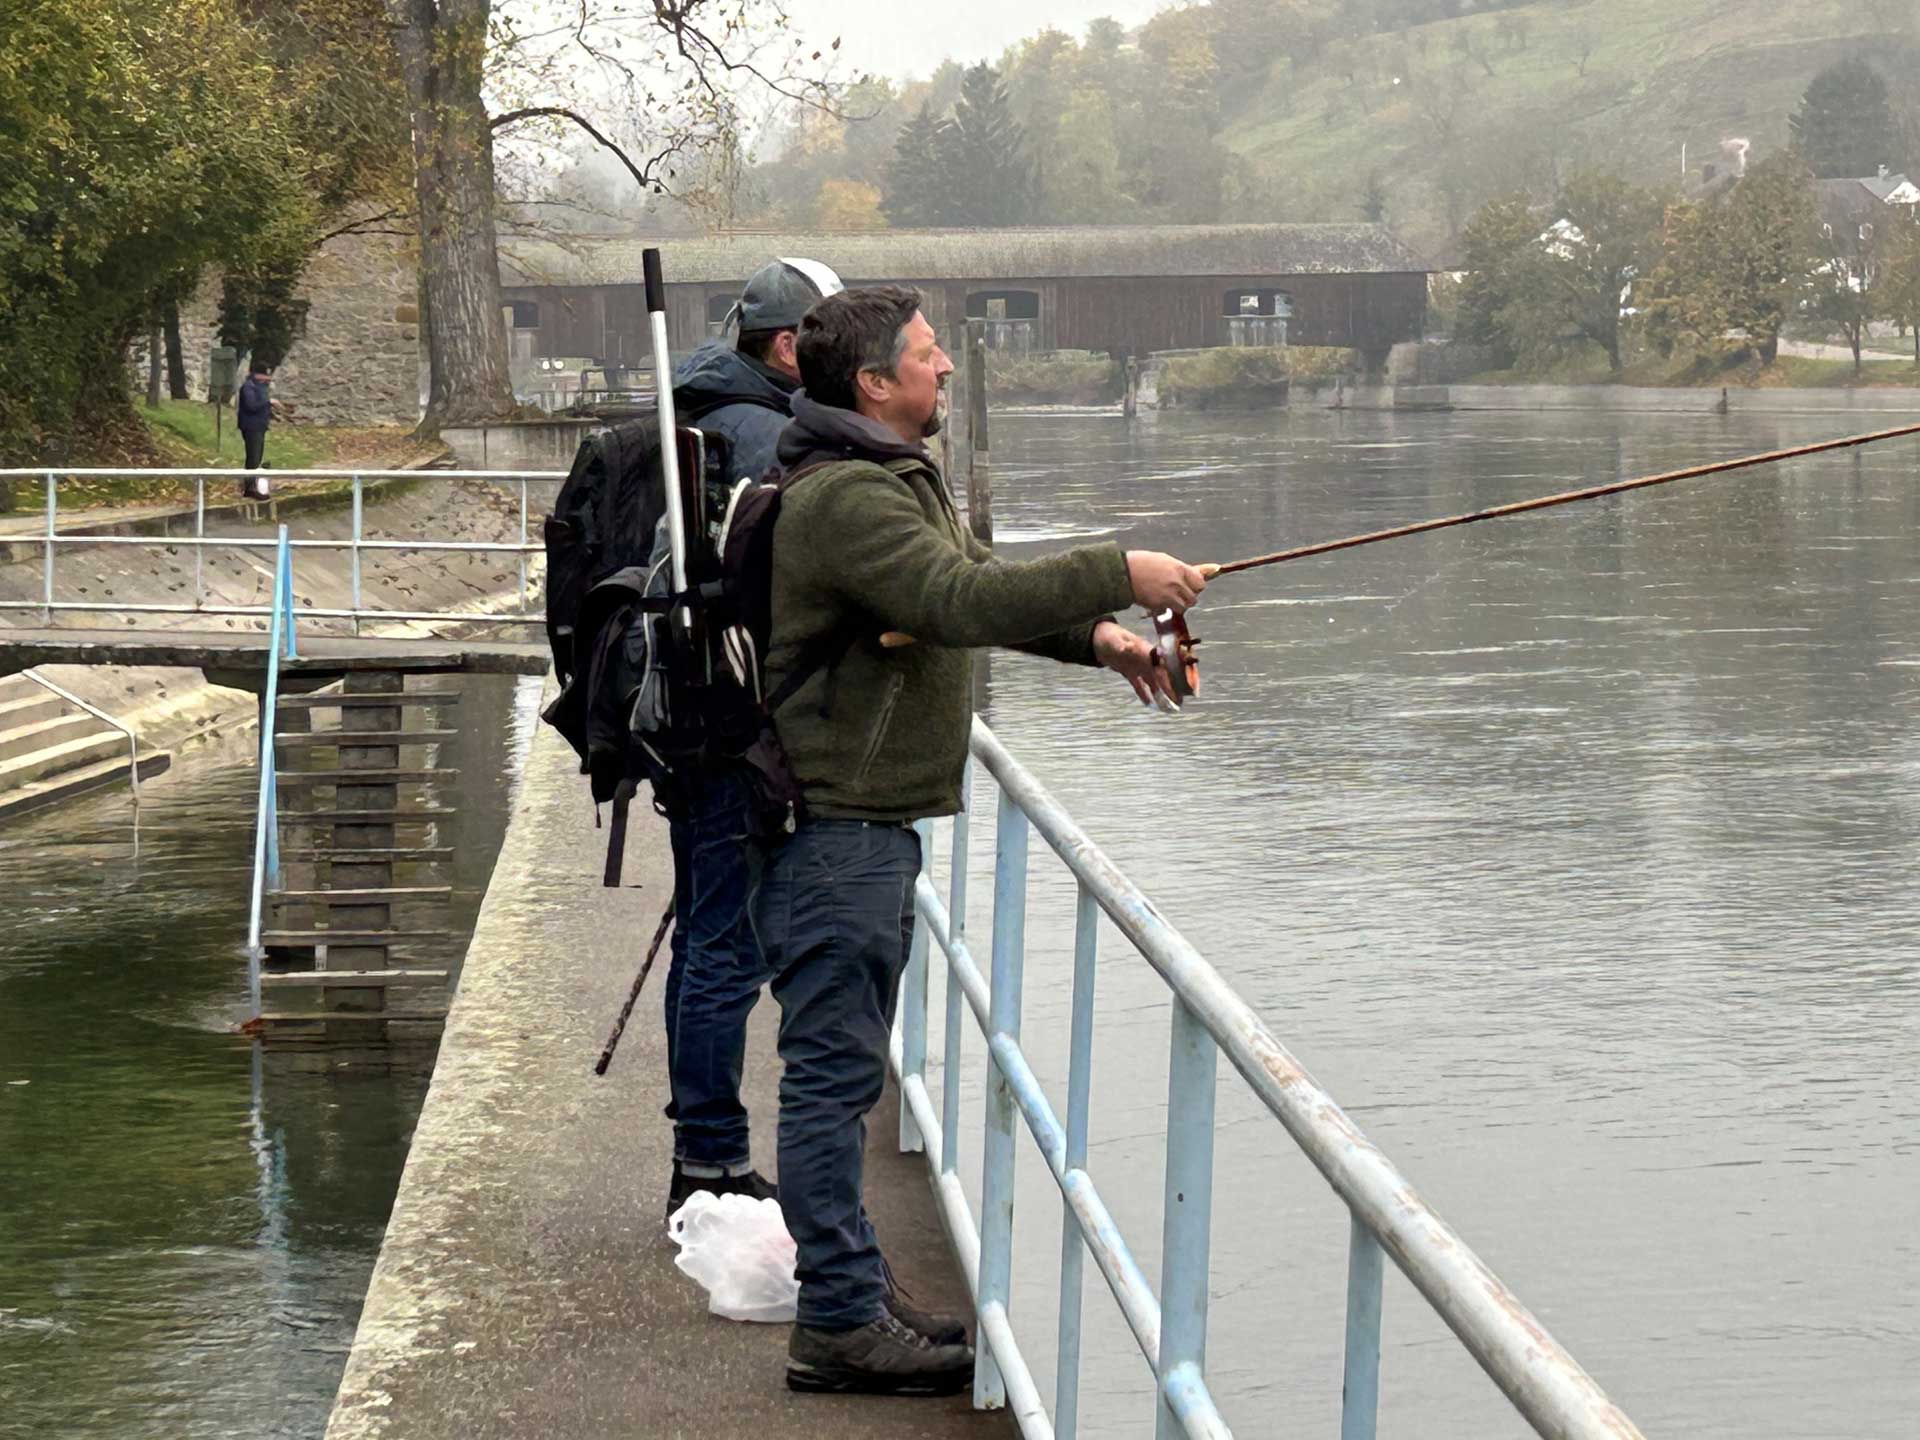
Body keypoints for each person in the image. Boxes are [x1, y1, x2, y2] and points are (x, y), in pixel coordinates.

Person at [755, 286, 1206, 1396]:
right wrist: (1120, 570)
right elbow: (952, 597)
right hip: (835, 830)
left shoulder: (882, 478)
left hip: (858, 826)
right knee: (830, 1080)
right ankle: (839, 1325)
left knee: (842, 1071)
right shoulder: (848, 500)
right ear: (874, 383)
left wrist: (1103, 640)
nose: (947, 366)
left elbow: (971, 592)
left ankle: (849, 1291)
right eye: (927, 353)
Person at [659, 258, 846, 1222]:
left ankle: (701, 1151)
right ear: (786, 348)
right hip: (732, 726)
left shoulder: (688, 413)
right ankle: (712, 1165)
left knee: (703, 940)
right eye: (827, 343)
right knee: (725, 949)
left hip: (681, 718)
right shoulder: (767, 436)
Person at [236, 362, 272, 498]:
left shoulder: (260, 387)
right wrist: (268, 402)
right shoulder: (248, 387)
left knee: (257, 457)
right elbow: (252, 406)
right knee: (253, 458)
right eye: (264, 375)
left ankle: (254, 485)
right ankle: (249, 487)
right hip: (251, 427)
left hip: (259, 426)